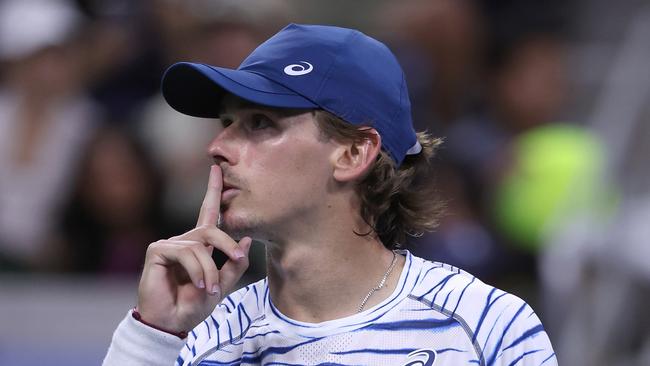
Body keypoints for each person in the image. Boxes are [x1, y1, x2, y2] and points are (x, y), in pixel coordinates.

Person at [103, 24, 557, 365]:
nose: (216, 147)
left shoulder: (485, 326)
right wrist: (153, 336)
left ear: (354, 153)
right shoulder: (197, 341)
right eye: (227, 124)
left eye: (260, 123)